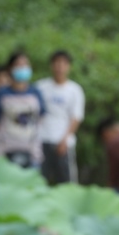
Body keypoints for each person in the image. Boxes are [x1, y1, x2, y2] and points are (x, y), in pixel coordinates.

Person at [0, 50, 46, 168]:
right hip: (5, 151)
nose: (22, 68)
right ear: (10, 68)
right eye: (19, 65)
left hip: (31, 150)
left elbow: (41, 117)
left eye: (25, 64)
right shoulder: (2, 94)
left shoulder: (36, 93)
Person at [36, 50, 85, 184]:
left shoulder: (75, 90)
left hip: (64, 143)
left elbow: (76, 117)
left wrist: (65, 140)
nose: (60, 67)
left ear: (69, 66)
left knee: (67, 182)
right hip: (42, 140)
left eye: (63, 63)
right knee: (39, 180)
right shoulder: (41, 87)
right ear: (51, 65)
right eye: (56, 63)